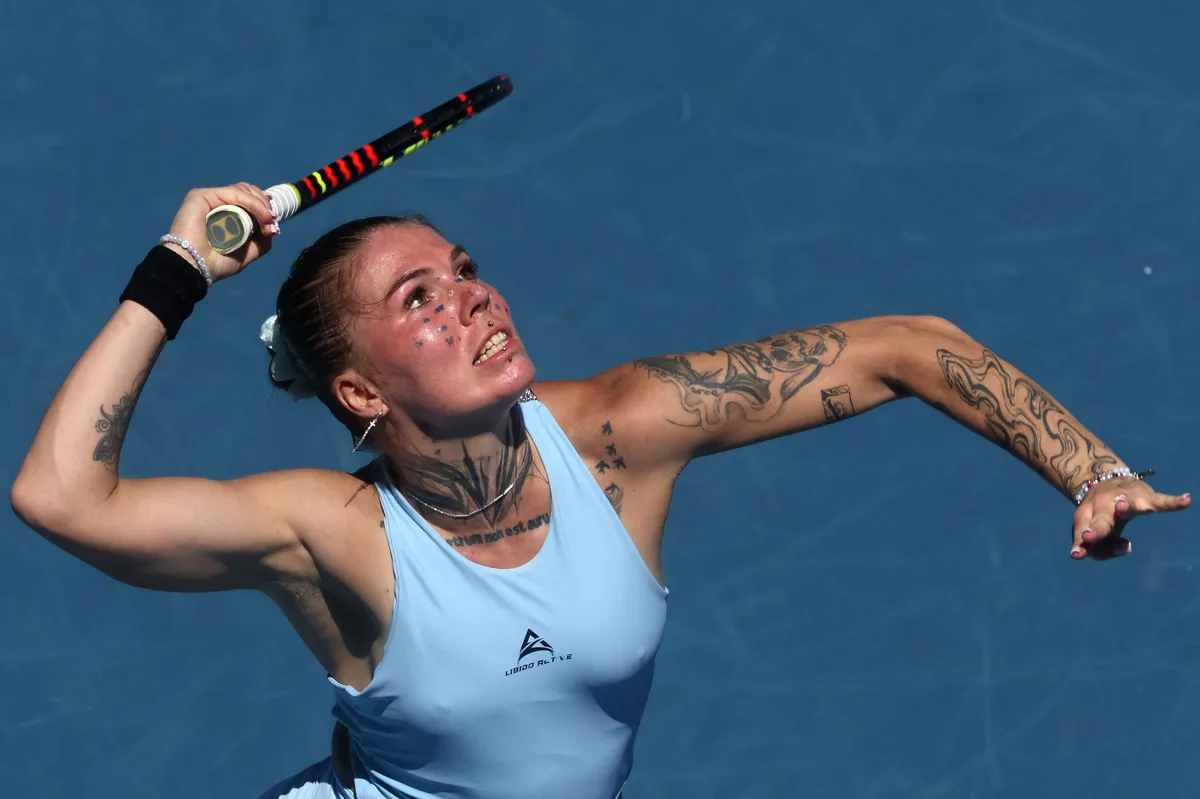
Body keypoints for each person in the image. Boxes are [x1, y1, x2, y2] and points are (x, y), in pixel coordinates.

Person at [10, 183, 1191, 799]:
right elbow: (62, 495)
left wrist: (1091, 469)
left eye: (464, 270)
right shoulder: (331, 532)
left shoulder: (620, 430)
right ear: (359, 392)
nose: (472, 296)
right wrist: (176, 273)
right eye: (418, 297)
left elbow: (908, 345)